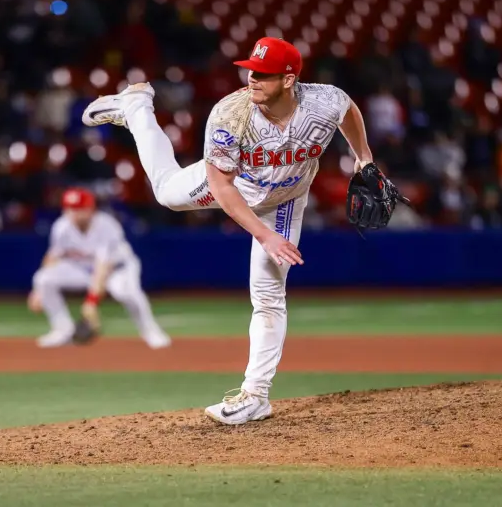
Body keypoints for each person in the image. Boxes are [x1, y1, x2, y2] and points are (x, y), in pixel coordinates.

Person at [82, 37, 385, 425]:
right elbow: (222, 186)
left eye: (263, 74)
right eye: (250, 70)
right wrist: (265, 235)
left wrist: (364, 158)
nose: (252, 78)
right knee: (166, 193)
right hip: (237, 185)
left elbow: (348, 111)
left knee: (269, 295)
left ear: (289, 79)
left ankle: (256, 395)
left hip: (287, 198)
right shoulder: (231, 115)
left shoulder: (324, 101)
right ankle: (137, 105)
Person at [27, 187, 171, 350]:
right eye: (70, 208)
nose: (73, 213)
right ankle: (62, 331)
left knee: (127, 293)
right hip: (83, 270)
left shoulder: (106, 225)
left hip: (118, 269)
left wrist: (91, 302)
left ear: (90, 208)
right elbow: (53, 256)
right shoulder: (61, 226)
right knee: (43, 279)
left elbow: (103, 267)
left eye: (79, 208)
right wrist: (37, 292)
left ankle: (150, 331)